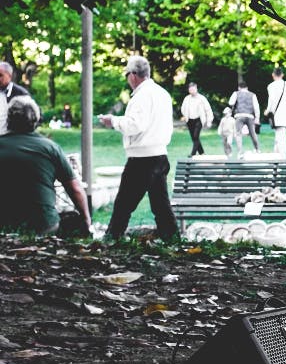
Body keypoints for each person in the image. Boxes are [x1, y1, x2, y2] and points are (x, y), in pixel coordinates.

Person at [100, 55, 177, 242]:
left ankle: (112, 237)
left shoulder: (142, 96)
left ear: (133, 75)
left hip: (142, 157)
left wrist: (113, 121)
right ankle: (172, 238)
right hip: (160, 154)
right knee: (160, 205)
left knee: (123, 203)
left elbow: (135, 125)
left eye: (127, 74)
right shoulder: (162, 93)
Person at [0, 96, 90, 236]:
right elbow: (75, 188)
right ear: (36, 119)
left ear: (8, 119)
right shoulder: (50, 148)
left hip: (4, 226)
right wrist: (86, 220)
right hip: (43, 225)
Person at [264, 67, 286, 157]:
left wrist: (267, 111)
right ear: (282, 75)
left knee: (280, 137)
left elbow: (271, 102)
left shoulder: (271, 86)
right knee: (279, 136)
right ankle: (277, 157)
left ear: (273, 75)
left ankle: (282, 158)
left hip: (277, 116)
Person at [180, 82, 214, 157]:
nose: (192, 90)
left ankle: (193, 154)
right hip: (189, 120)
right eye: (190, 89)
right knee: (194, 138)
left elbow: (208, 109)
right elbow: (183, 108)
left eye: (193, 89)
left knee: (196, 136)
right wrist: (185, 115)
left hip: (199, 119)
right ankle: (202, 153)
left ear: (196, 89)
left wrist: (209, 120)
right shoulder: (187, 98)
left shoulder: (201, 98)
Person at [0, 61, 32, 135]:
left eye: (0, 75)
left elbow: (33, 116)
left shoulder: (21, 93)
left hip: (14, 136)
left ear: (9, 76)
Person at [229, 81, 260, 154]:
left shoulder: (236, 93)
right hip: (250, 116)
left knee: (238, 134)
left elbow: (231, 103)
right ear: (247, 87)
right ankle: (257, 149)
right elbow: (256, 107)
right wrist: (257, 118)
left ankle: (240, 151)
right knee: (253, 133)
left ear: (239, 87)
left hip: (239, 115)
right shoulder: (252, 95)